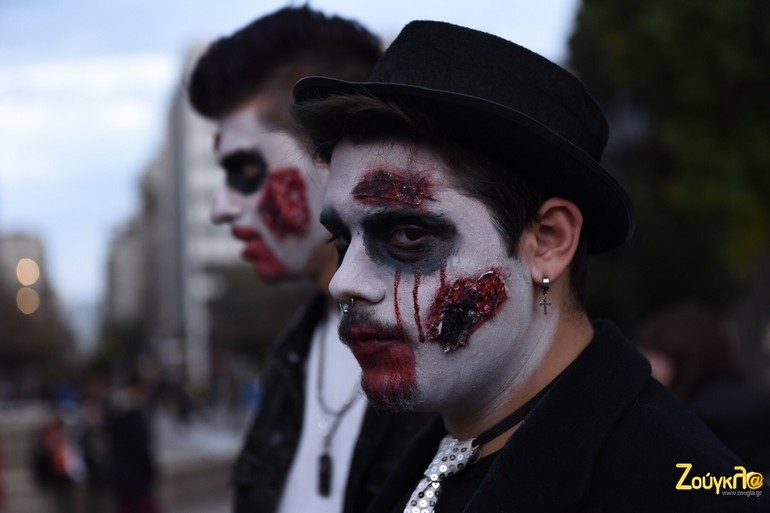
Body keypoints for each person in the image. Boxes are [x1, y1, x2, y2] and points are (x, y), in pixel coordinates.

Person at [292, 20, 770, 512]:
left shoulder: (680, 489)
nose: (344, 282)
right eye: (341, 240)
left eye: (408, 235)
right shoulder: (436, 453)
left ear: (548, 241)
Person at [186, 7, 431, 513]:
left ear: (335, 156)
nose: (221, 208)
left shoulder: (448, 362)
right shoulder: (289, 359)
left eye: (245, 169)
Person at [638, 303, 770, 475]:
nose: (649, 364)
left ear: (685, 357)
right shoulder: (750, 396)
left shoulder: (696, 419)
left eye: (656, 354)